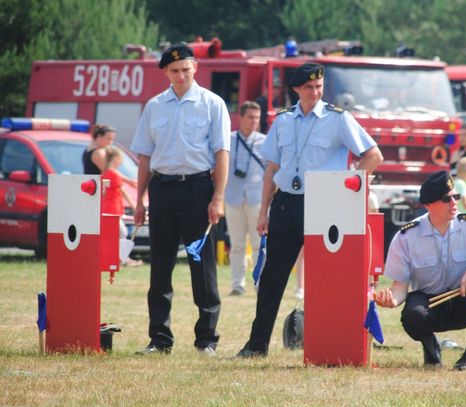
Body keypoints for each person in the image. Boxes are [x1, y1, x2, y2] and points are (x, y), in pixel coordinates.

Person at [236, 62, 383, 358]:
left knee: (328, 277)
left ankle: (330, 341)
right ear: (296, 90)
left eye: (319, 86)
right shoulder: (284, 120)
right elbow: (272, 168)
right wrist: (264, 211)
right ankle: (256, 345)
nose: (315, 92)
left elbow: (373, 155)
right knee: (272, 278)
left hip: (326, 204)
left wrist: (347, 185)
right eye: (308, 88)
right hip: (286, 202)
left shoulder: (338, 119)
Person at [130, 42, 231, 355]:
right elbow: (145, 156)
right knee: (159, 267)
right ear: (165, 72)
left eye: (186, 69)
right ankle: (159, 339)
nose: (181, 75)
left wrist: (218, 197)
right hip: (162, 190)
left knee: (202, 267)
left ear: (195, 68)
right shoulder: (154, 106)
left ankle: (206, 340)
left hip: (198, 190)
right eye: (174, 71)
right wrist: (140, 199)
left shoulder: (212, 104)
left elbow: (221, 153)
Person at [375, 171, 466, 370]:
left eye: (455, 196)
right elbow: (400, 286)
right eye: (446, 199)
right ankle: (431, 350)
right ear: (428, 205)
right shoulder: (407, 236)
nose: (454, 203)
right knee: (413, 315)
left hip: (465, 301)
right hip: (431, 302)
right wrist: (391, 300)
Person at [225, 101, 266, 296]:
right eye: (250, 117)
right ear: (240, 118)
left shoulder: (265, 142)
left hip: (256, 198)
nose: (254, 122)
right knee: (237, 244)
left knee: (259, 244)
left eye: (257, 118)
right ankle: (237, 284)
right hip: (233, 197)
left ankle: (259, 283)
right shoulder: (228, 139)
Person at [101, 146, 143, 267]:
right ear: (114, 159)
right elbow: (122, 190)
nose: (121, 162)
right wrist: (133, 204)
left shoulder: (108, 172)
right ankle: (122, 258)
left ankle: (121, 257)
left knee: (118, 233)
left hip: (111, 205)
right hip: (112, 206)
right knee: (121, 232)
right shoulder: (112, 173)